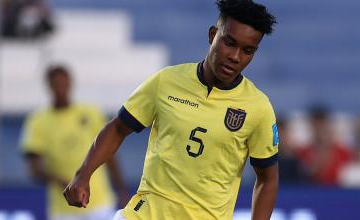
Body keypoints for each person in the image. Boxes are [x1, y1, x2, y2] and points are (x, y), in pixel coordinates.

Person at [64, 0, 279, 219]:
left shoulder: (257, 107)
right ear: (213, 35)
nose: (235, 56)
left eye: (247, 50)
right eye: (229, 42)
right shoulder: (167, 81)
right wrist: (83, 174)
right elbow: (119, 128)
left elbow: (268, 178)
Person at [21, 65, 129, 220]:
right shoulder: (38, 121)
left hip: (99, 204)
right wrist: (61, 181)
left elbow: (109, 153)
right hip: (64, 208)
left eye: (64, 84)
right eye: (56, 85)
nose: (61, 89)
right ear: (49, 86)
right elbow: (34, 169)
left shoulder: (90, 112)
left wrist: (121, 188)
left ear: (70, 84)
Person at [296, 105, 353, 185]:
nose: (319, 129)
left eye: (322, 124)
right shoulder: (301, 153)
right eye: (315, 125)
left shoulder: (344, 152)